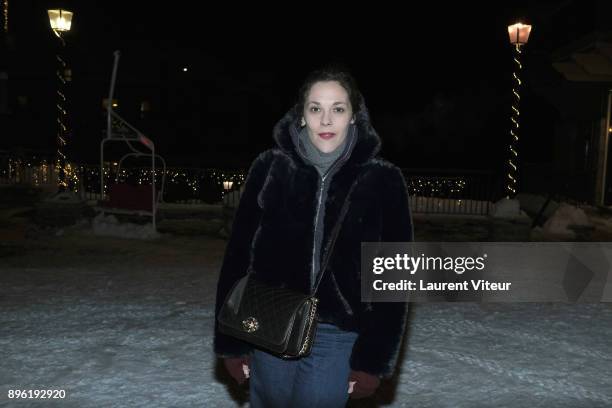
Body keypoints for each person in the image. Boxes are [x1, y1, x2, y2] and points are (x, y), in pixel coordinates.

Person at [213, 66, 414, 407]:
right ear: (301, 115)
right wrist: (231, 343)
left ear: (354, 117)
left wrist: (373, 361)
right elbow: (237, 256)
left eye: (338, 109)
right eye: (315, 108)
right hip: (268, 322)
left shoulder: (384, 180)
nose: (325, 120)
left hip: (338, 333)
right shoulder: (270, 167)